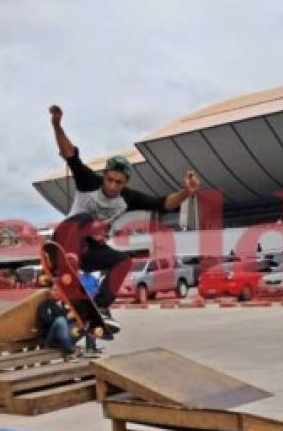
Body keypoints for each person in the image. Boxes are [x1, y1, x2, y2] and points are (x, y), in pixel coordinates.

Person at [48, 104, 199, 328]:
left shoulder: (128, 198)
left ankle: (100, 306)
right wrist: (57, 125)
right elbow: (70, 155)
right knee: (90, 220)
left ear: (125, 182)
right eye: (109, 179)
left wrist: (187, 192)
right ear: (104, 175)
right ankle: (69, 262)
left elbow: (163, 203)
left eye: (118, 182)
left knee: (123, 261)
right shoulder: (89, 181)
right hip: (66, 238)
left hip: (88, 250)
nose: (112, 186)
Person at [37, 285, 77, 360]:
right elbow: (45, 320)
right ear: (50, 291)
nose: (56, 292)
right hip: (51, 337)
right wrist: (66, 317)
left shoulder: (66, 304)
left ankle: (90, 348)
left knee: (83, 321)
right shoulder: (44, 305)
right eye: (54, 290)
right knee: (60, 320)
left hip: (65, 336)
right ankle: (68, 349)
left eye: (59, 290)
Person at [79, 272, 102, 356]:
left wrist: (95, 292)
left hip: (93, 304)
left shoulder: (93, 278)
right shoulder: (79, 278)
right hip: (84, 305)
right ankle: (89, 348)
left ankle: (93, 346)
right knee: (89, 325)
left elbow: (97, 289)